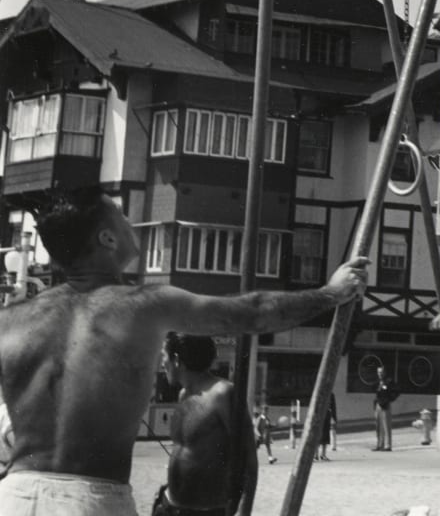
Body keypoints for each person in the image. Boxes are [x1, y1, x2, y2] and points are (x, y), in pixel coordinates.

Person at [0, 187, 366, 516]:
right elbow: (253, 312)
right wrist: (331, 294)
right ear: (108, 238)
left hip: (13, 494)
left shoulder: (12, 320)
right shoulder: (144, 305)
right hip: (90, 498)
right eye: (121, 216)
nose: (130, 223)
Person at [155, 333, 254, 516]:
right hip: (168, 506)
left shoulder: (222, 393)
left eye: (164, 356)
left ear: (176, 359)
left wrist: (244, 512)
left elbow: (248, 462)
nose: (162, 363)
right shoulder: (184, 395)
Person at [374, 363, 401, 451]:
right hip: (378, 405)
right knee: (378, 426)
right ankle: (379, 444)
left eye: (381, 372)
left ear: (384, 372)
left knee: (386, 426)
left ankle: (387, 445)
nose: (380, 374)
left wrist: (389, 399)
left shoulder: (389, 381)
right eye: (378, 372)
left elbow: (397, 391)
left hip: (385, 405)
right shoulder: (378, 382)